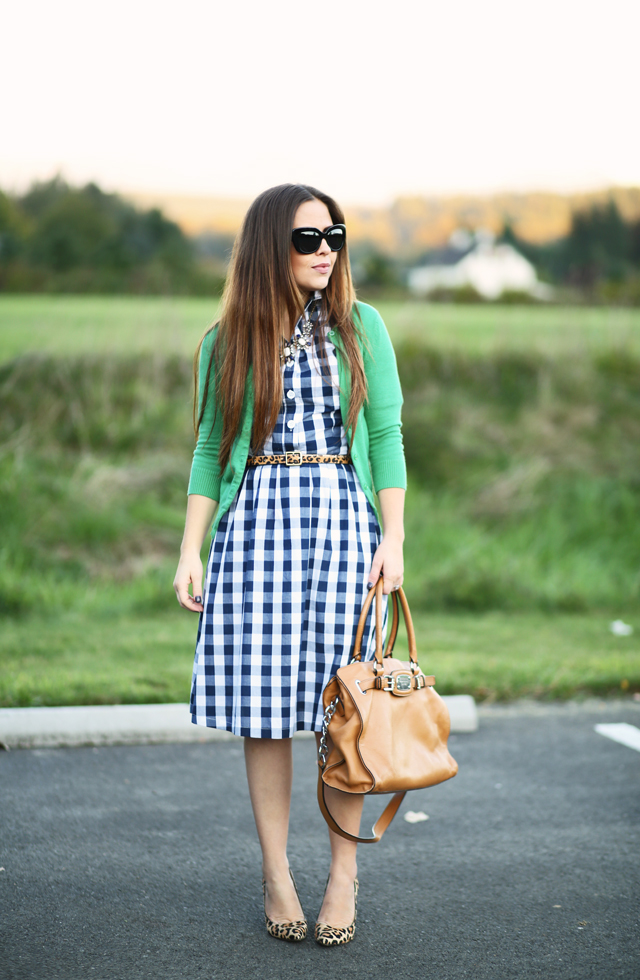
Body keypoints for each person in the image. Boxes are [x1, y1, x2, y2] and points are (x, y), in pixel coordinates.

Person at [173, 183, 406, 947]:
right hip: (257, 531)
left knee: (347, 715)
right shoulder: (226, 339)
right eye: (308, 238)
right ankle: (277, 873)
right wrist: (190, 549)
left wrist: (394, 538)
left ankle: (344, 875)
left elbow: (386, 441)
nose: (326, 249)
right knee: (266, 712)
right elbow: (211, 451)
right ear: (272, 246)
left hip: (343, 523)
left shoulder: (362, 328)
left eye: (333, 234)